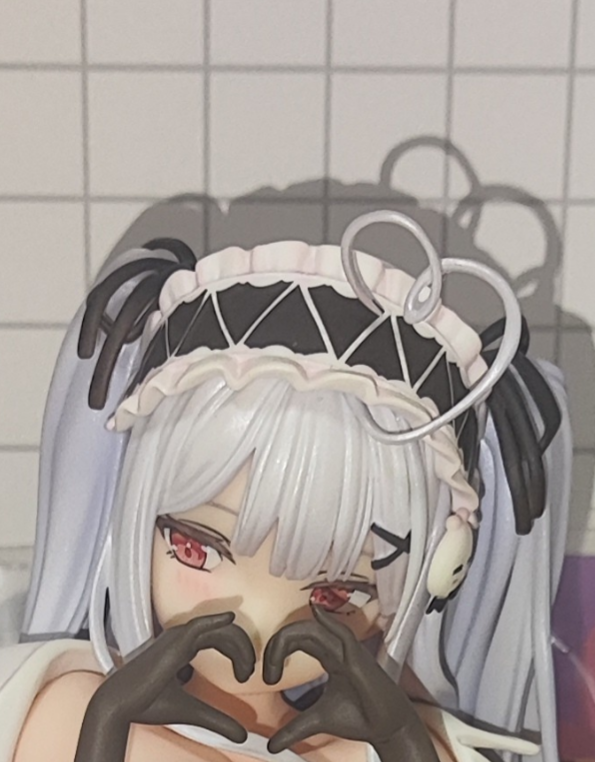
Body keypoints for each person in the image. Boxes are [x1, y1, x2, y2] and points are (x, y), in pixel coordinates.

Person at [0, 211, 571, 762]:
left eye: (335, 595)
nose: (261, 621)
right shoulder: (66, 714)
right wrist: (102, 734)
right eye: (196, 548)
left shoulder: (393, 750)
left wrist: (404, 744)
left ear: (435, 578)